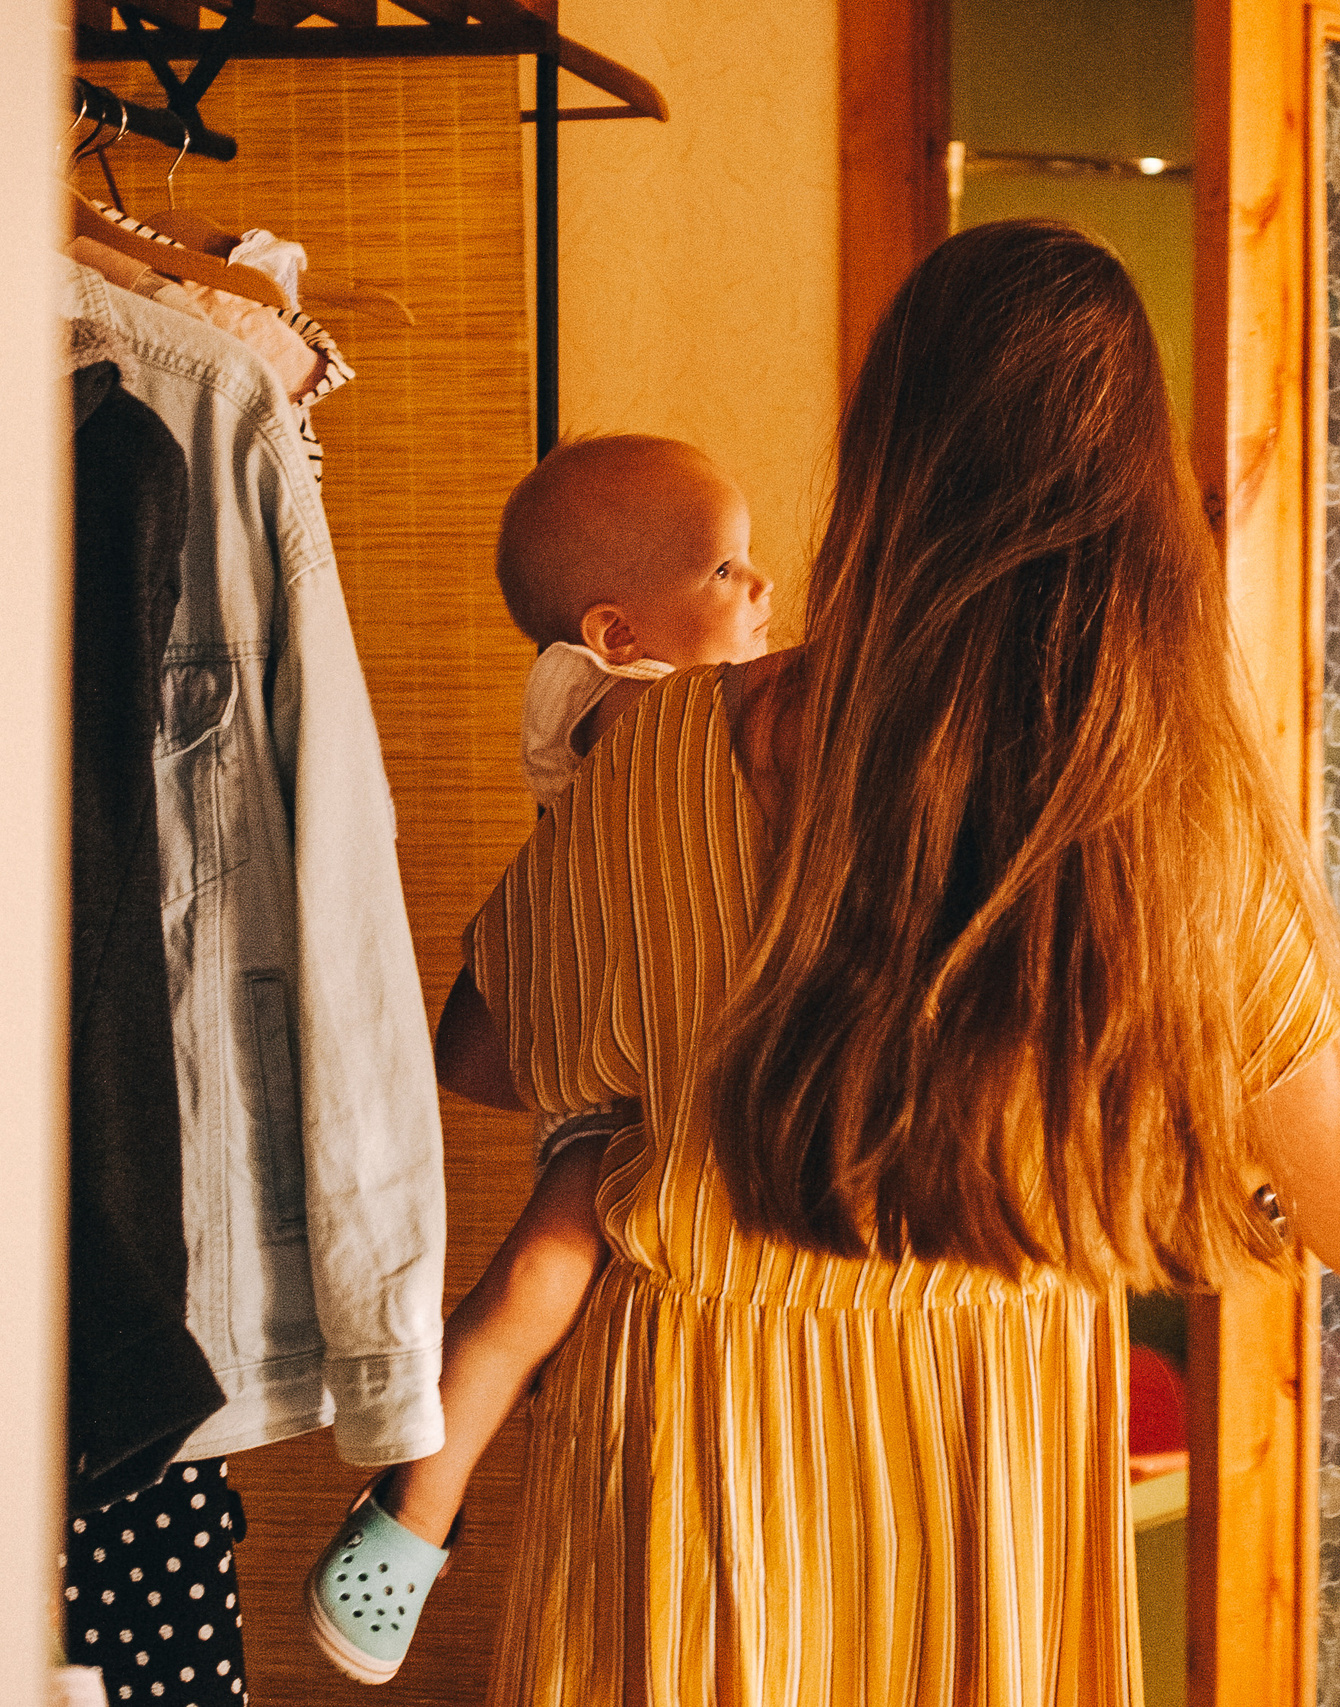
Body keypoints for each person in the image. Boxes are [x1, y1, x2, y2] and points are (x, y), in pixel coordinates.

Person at [473, 220, 1340, 1703]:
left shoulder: (667, 741)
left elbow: (503, 1051)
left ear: (883, 461)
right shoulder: (1172, 811)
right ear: (1132, 487)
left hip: (688, 1442)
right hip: (981, 1452)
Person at [304, 434, 772, 1688]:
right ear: (616, 632)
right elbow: (695, 748)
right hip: (607, 1090)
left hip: (662, 1078)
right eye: (728, 568)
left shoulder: (672, 692)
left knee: (564, 1281)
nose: (761, 591)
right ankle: (414, 1514)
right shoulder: (596, 698)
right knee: (539, 1276)